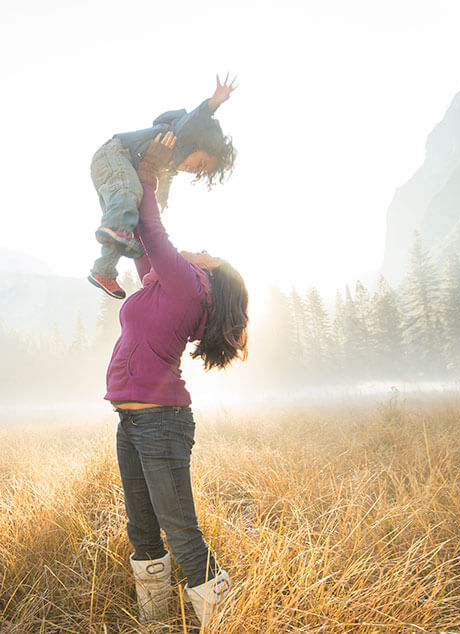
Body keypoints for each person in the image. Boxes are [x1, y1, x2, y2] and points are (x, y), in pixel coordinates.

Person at [110, 134, 249, 626]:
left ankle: (222, 621)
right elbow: (142, 247)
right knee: (143, 528)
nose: (201, 250)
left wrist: (148, 170)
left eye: (209, 253)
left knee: (181, 532)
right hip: (131, 419)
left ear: (211, 276)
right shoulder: (168, 283)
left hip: (161, 423)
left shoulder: (191, 284)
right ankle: (154, 622)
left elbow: (153, 231)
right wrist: (130, 196)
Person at [88, 74, 237, 300]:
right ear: (200, 143)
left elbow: (166, 177)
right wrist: (212, 104)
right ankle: (113, 233)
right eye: (202, 163)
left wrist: (163, 197)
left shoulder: (171, 163)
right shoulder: (181, 135)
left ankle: (104, 270)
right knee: (129, 197)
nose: (196, 170)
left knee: (124, 223)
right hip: (115, 154)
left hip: (113, 169)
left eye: (201, 172)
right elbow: (193, 120)